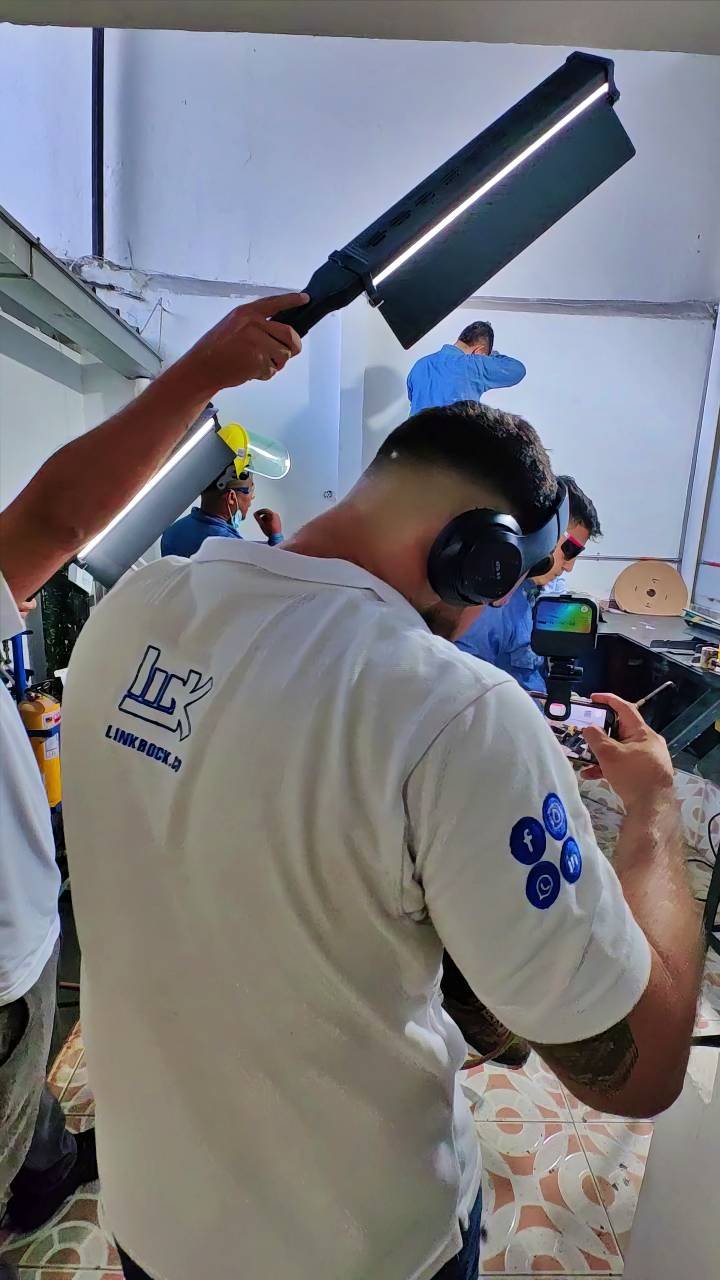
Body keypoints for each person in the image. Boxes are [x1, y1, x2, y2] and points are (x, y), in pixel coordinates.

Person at [61, 401, 701, 1280]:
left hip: (150, 1219)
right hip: (361, 1247)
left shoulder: (132, 605)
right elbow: (639, 1070)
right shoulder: (456, 711)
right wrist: (655, 813)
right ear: (480, 557)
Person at [0, 291, 305, 1274]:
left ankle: (42, 1167)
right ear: (229, 493)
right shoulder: (226, 550)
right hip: (11, 955)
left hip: (30, 935)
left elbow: (50, 522)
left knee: (26, 1098)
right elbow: (52, 521)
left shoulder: (174, 548)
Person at [456, 474, 602, 693]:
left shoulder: (541, 591)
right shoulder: (491, 607)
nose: (569, 566)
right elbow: (468, 690)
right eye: (569, 550)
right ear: (544, 532)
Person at [160, 466, 283, 558]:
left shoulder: (172, 531)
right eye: (251, 489)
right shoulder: (230, 547)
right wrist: (276, 536)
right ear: (231, 498)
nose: (253, 496)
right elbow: (279, 572)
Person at [407, 320, 525, 415]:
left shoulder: (420, 364)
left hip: (413, 435)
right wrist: (491, 355)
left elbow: (414, 400)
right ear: (479, 351)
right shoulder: (474, 365)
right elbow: (517, 370)